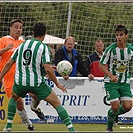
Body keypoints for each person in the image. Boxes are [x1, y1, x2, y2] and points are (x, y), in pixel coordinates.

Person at [0, 22, 76, 132]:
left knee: (13, 97)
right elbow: (48, 69)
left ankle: (8, 127)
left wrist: (0, 76)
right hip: (36, 83)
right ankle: (71, 129)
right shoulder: (43, 47)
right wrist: (57, 83)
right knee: (56, 103)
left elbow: (9, 63)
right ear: (44, 34)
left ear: (33, 32)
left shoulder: (22, 45)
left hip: (21, 82)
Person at [0, 19, 44, 131]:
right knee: (19, 102)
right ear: (10, 28)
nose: (18, 29)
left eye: (20, 27)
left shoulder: (23, 42)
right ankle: (28, 124)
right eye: (16, 27)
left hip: (24, 75)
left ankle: (34, 107)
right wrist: (5, 49)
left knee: (37, 96)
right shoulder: (3, 40)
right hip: (9, 78)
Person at [99, 24, 133, 132]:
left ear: (126, 36)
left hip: (124, 81)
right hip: (111, 82)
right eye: (117, 35)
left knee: (127, 106)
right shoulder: (111, 49)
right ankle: (109, 128)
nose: (118, 37)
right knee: (115, 106)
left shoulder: (131, 49)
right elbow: (101, 64)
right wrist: (110, 75)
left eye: (121, 35)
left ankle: (113, 116)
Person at [85, 39, 119, 126]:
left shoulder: (109, 56)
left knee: (113, 102)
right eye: (97, 46)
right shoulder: (90, 57)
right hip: (95, 85)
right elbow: (85, 69)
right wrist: (88, 74)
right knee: (96, 103)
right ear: (94, 47)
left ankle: (115, 119)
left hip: (108, 82)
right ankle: (95, 117)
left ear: (103, 46)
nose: (99, 47)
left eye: (100, 46)